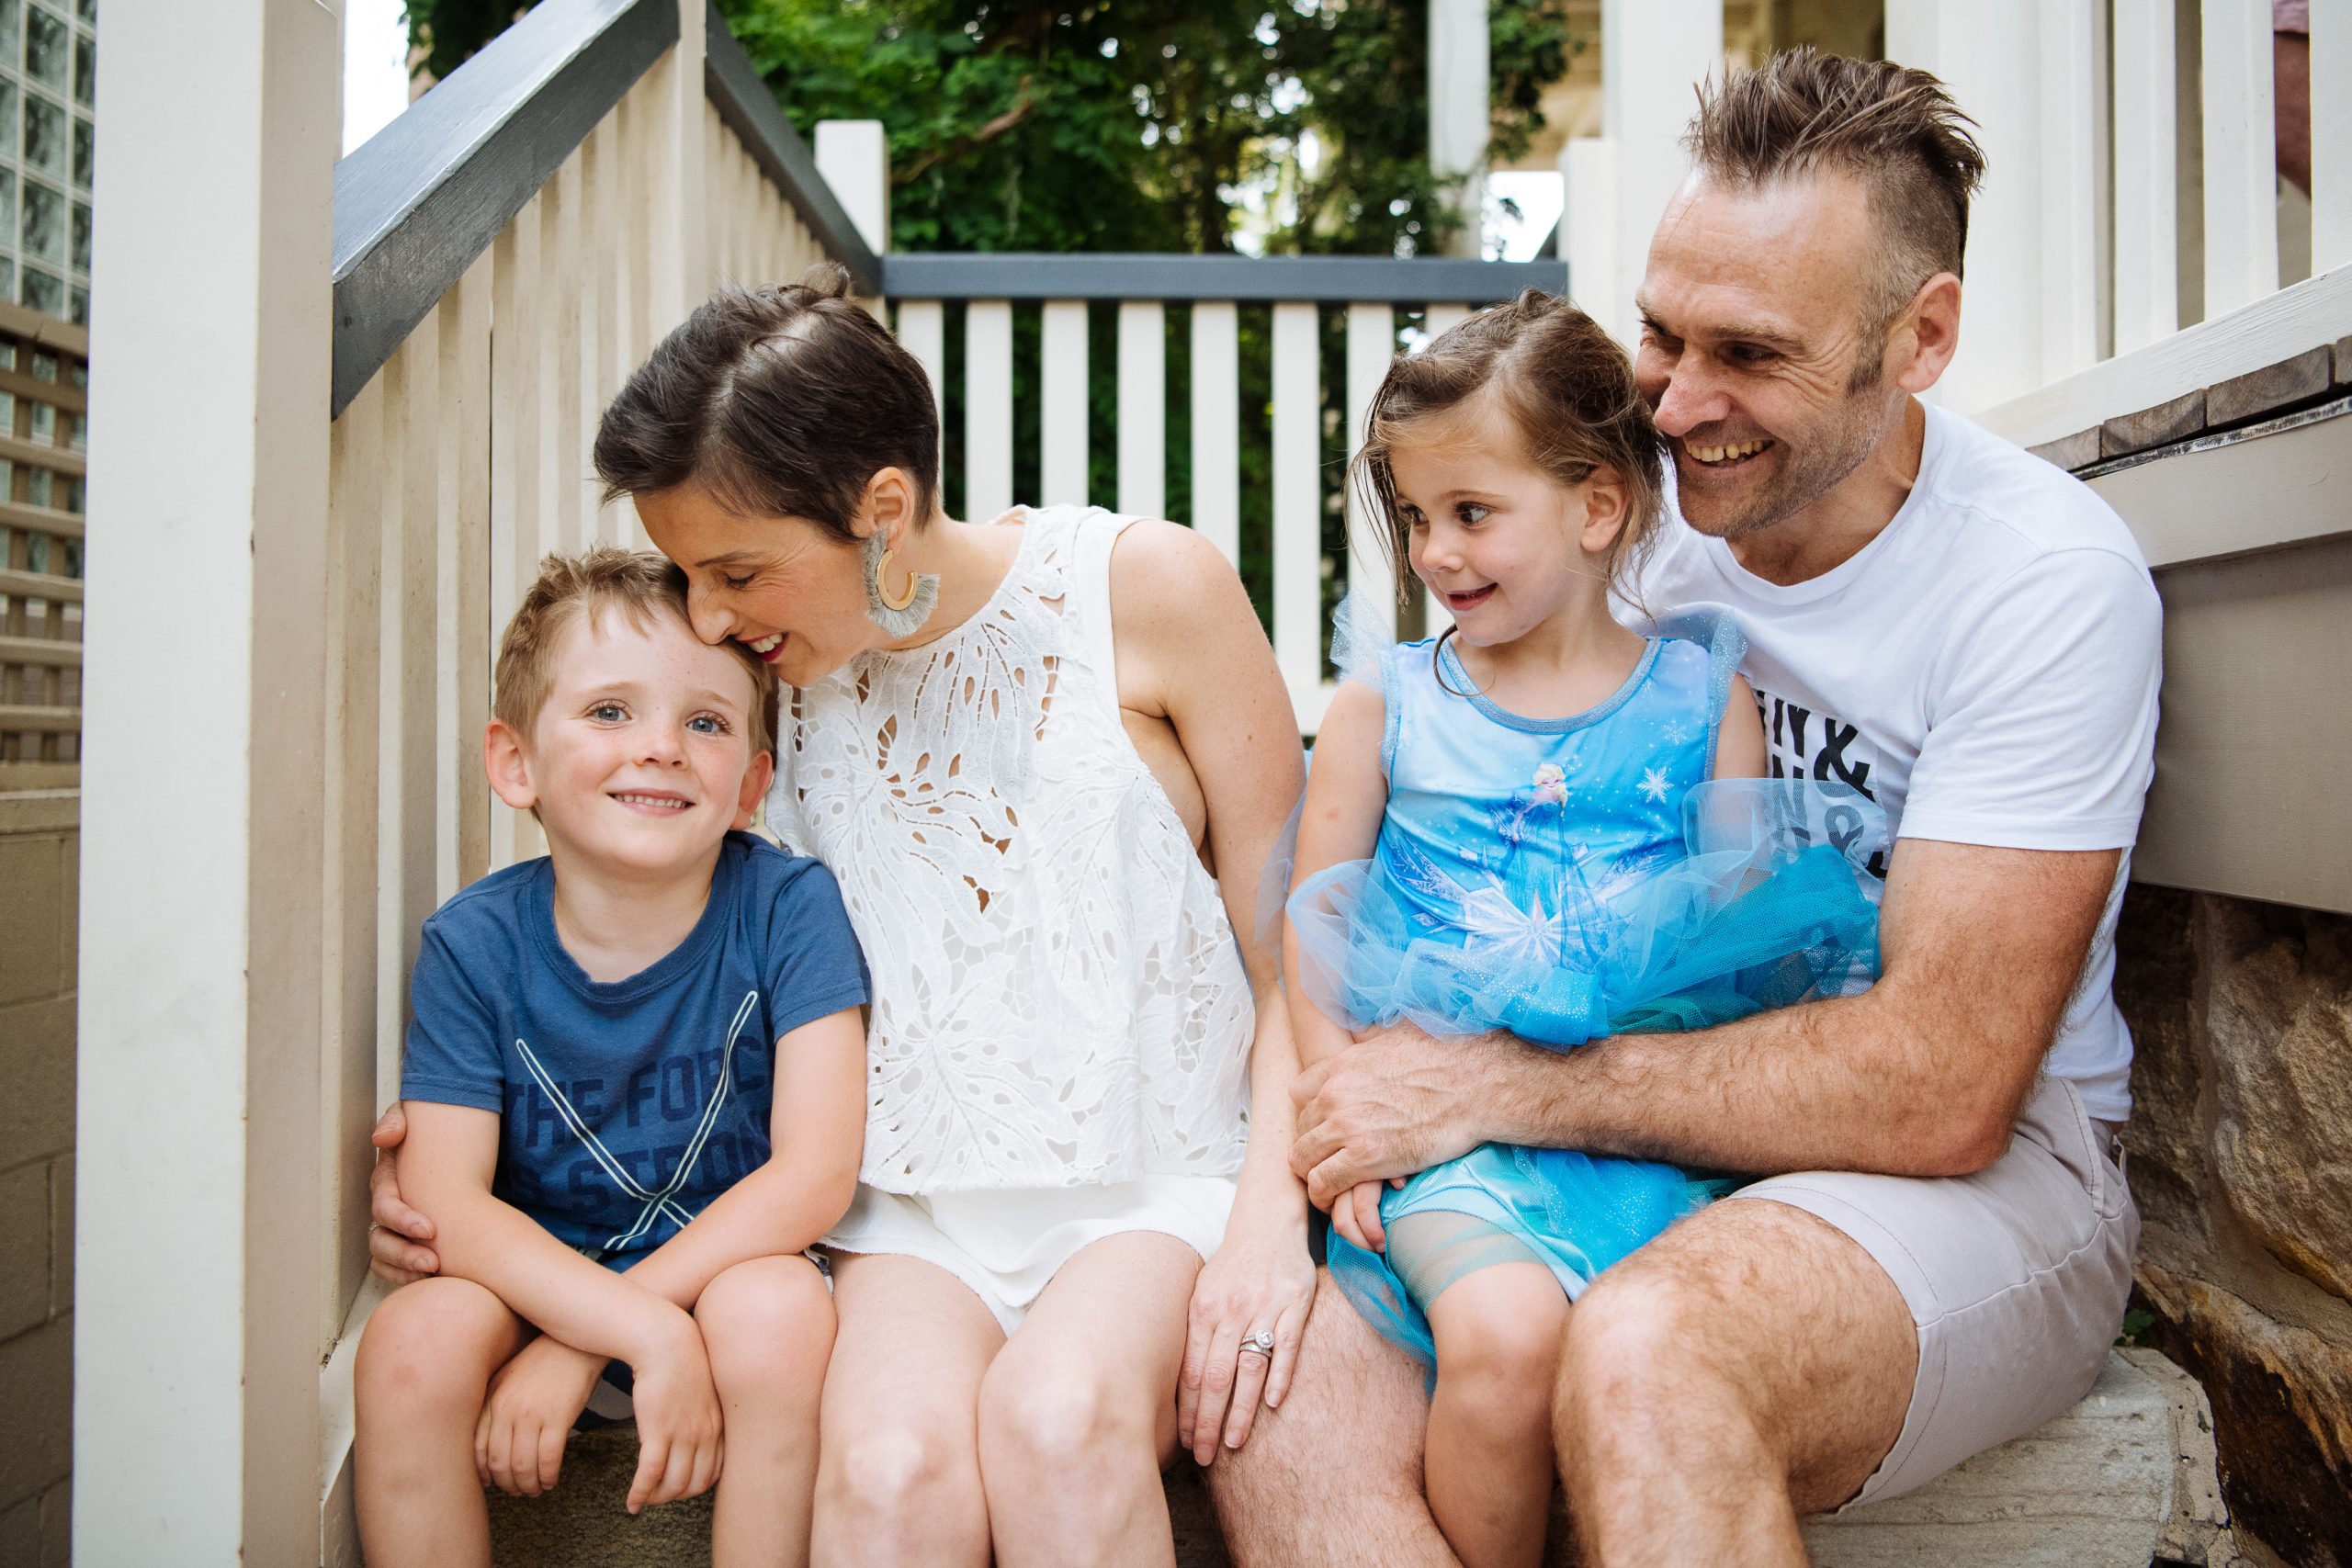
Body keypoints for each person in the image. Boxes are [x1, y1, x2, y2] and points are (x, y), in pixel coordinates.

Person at [1213, 50, 2161, 1567]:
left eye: (1751, 352)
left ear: (1919, 338)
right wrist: (1279, 1198)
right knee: (1280, 1403)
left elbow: (1942, 1087)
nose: (1680, 403)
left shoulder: (2039, 584)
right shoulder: (1610, 534)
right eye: (1660, 333)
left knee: (1650, 1355)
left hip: (1974, 1174)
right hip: (1526, 1129)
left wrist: (1492, 1087)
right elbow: (1345, 895)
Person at [368, 270, 1316, 1567]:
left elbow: (1297, 952)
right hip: (908, 1216)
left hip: (1161, 1184)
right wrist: (481, 1174)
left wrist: (1274, 1212)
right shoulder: (760, 686)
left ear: (881, 509)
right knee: (882, 1472)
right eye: (693, 574)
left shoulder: (1143, 590)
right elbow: (664, 940)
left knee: (1056, 1423)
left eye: (737, 569)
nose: (706, 616)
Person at [1283, 293, 1881, 1568]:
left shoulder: (1699, 692)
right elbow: (1312, 921)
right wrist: (1347, 1128)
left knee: (1645, 1358)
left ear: (1598, 507)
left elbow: (1738, 934)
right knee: (1504, 1344)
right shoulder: (1384, 704)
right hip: (1443, 1125)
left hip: (1641, 1118)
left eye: (1472, 512)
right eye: (1415, 516)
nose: (1435, 552)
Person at [353, 548, 870, 1568]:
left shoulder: (787, 909)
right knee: (413, 1345)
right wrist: (621, 1327)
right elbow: (447, 1203)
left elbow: (813, 1175)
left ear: (749, 786)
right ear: (515, 764)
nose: (662, 748)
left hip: (719, 1293)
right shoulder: (475, 944)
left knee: (775, 1312)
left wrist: (611, 1335)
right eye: (609, 713)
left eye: (707, 722)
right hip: (535, 1293)